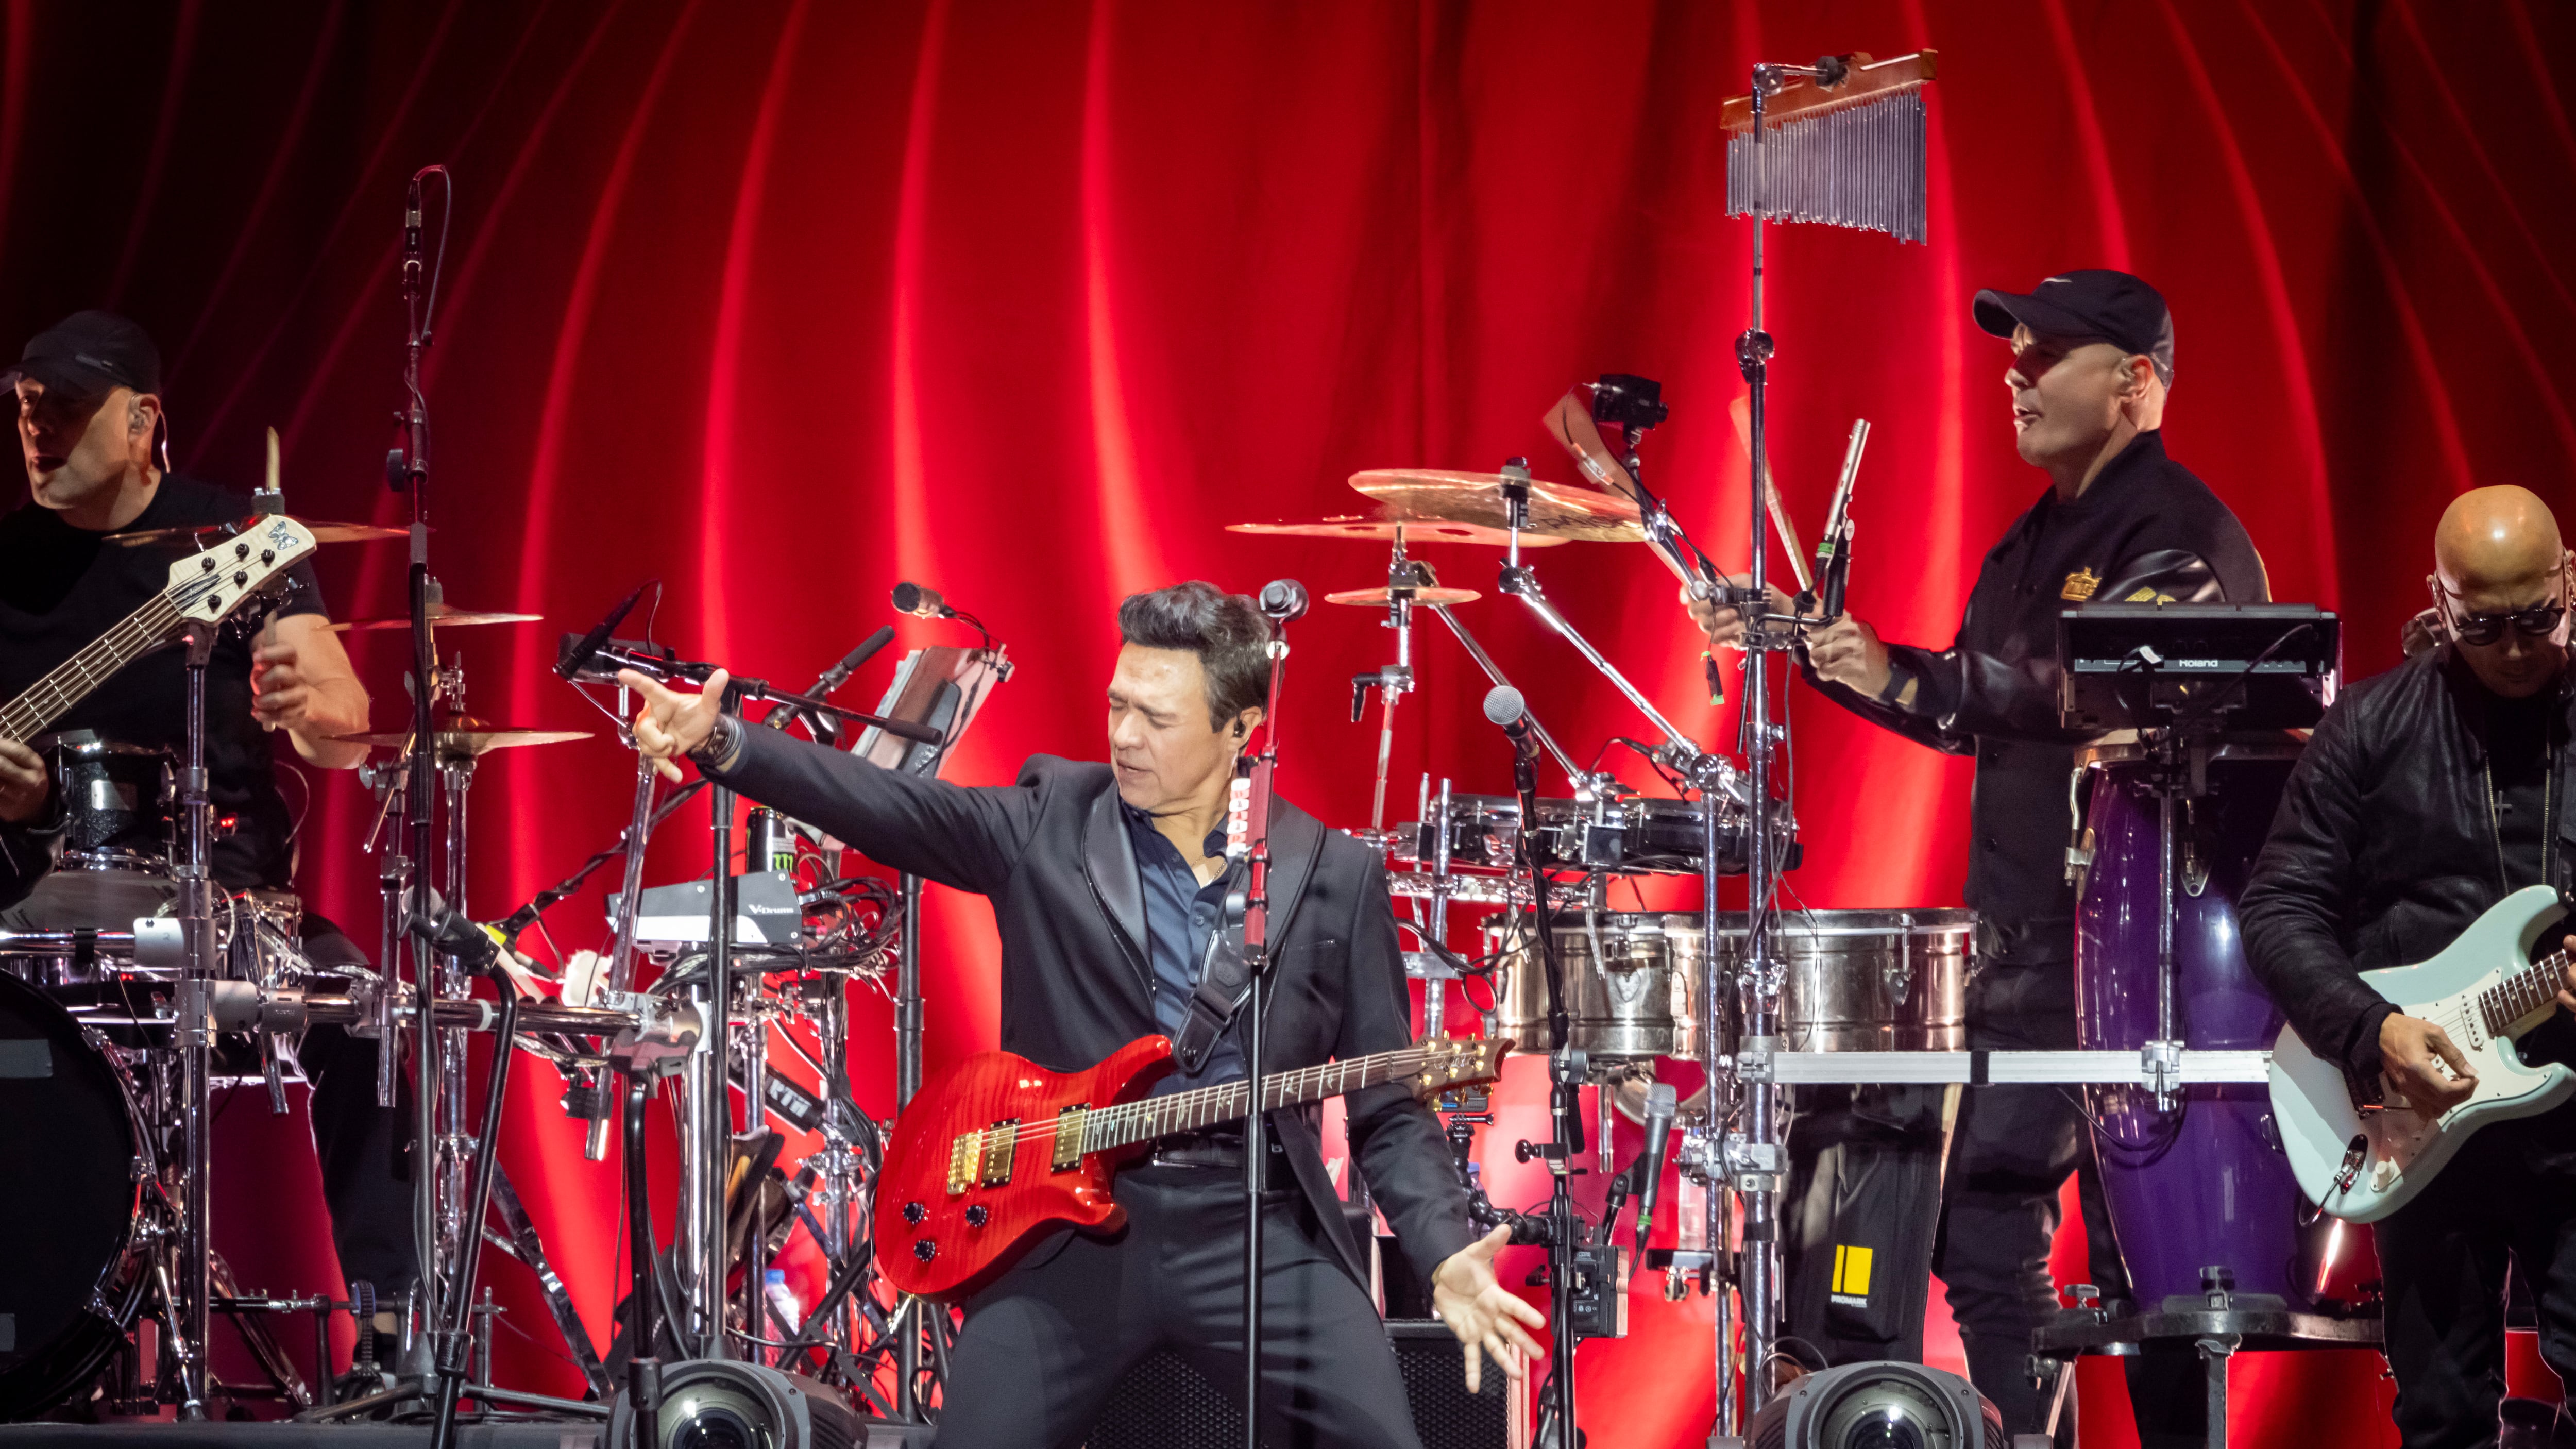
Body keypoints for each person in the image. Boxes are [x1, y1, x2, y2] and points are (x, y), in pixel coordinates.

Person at [621, 581, 1545, 1449]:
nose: (1126, 737)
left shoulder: (1334, 877)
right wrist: (727, 744)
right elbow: (890, 807)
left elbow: (1388, 1105)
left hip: (1258, 1226)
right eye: (1117, 706)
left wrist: (1444, 1254)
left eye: (1158, 716)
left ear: (1243, 730)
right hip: (1064, 1231)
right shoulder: (1049, 819)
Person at [1696, 270, 2268, 1435]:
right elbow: (1966, 703)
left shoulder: (2179, 535)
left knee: (2149, 1268)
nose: (2012, 374)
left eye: (2044, 352)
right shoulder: (2027, 543)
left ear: (2134, 382)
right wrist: (1823, 650)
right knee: (1984, 1235)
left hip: (2138, 959)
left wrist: (1905, 670)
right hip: (2025, 949)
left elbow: (2090, 693)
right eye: (2012, 351)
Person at [0, 310, 415, 1373]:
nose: (38, 428)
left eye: (69, 408)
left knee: (360, 1014)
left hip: (206, 908)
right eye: (26, 407)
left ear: (142, 419)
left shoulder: (225, 541)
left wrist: (302, 699)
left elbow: (342, 723)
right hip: (23, 910)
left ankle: (389, 1338)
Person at [2242, 485, 2576, 1446]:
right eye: (2483, 625)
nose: (2515, 649)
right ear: (2439, 598)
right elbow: (2278, 906)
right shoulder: (2372, 727)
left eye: (2537, 620)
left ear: (2570, 581)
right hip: (2422, 1120)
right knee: (2439, 1411)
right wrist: (2370, 1030)